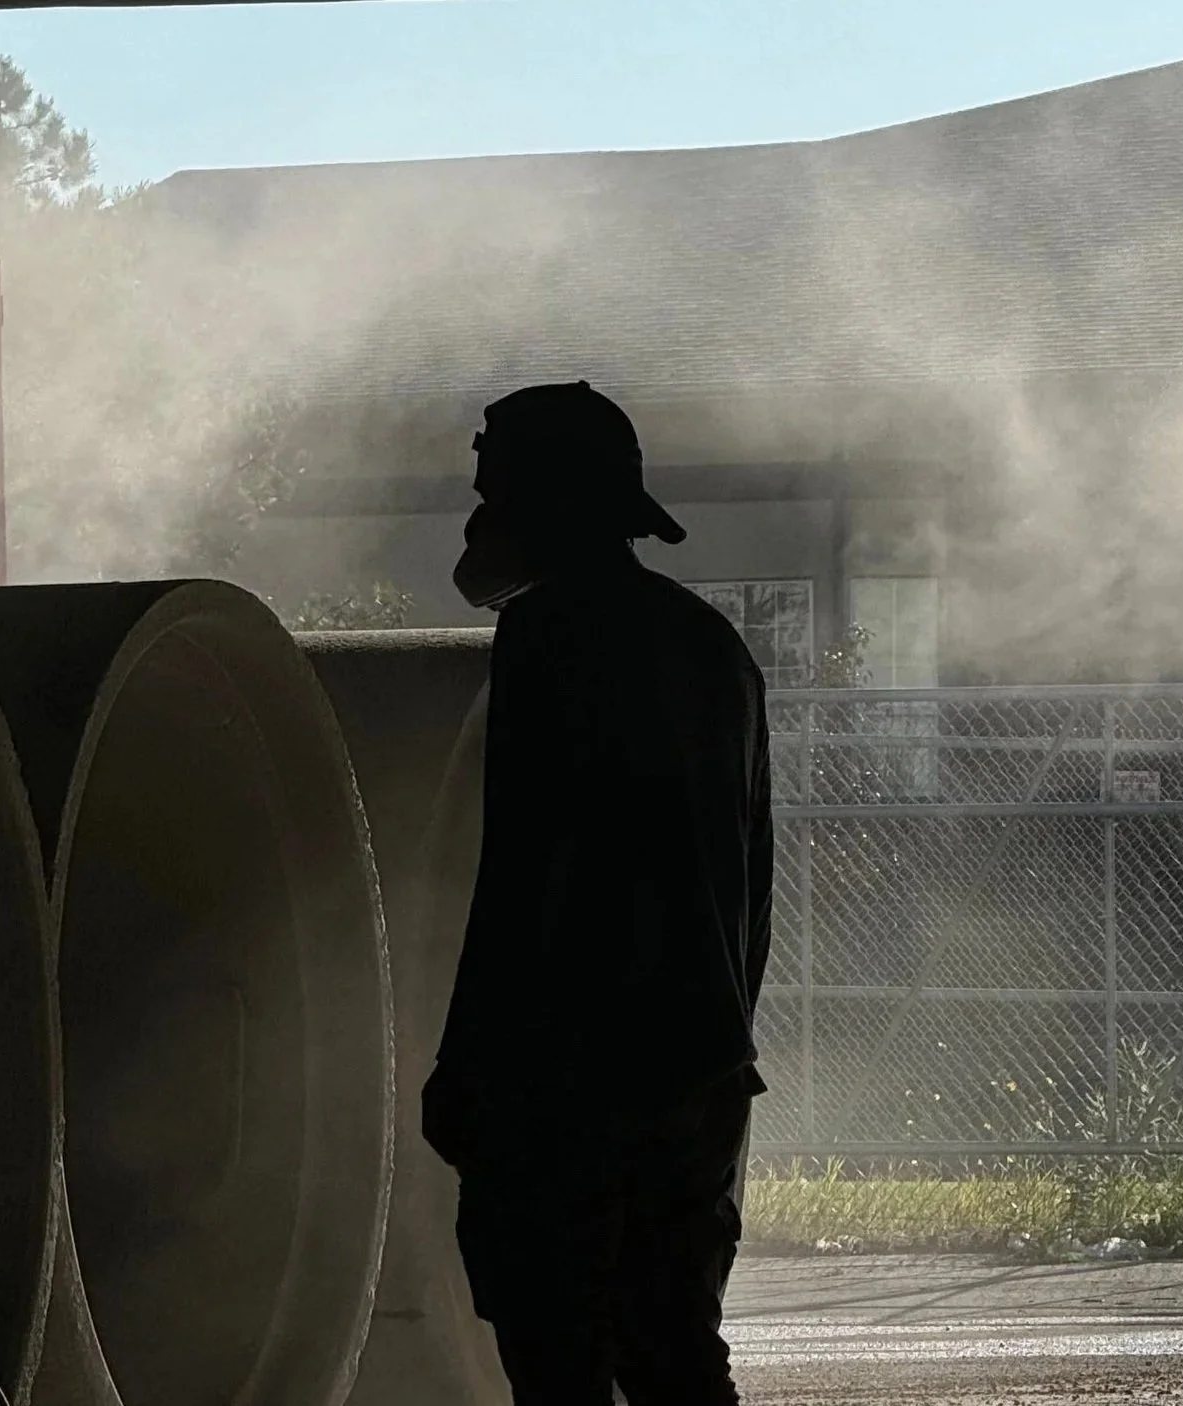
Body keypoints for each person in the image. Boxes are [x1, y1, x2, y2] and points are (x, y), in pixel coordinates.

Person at [421, 381, 774, 1406]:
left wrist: (465, 1061)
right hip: (699, 1067)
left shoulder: (548, 641)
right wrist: (725, 1045)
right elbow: (751, 887)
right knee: (675, 1349)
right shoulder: (716, 650)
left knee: (556, 1356)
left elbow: (527, 869)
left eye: (493, 498)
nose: (477, 520)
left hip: (565, 1079)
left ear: (546, 503)